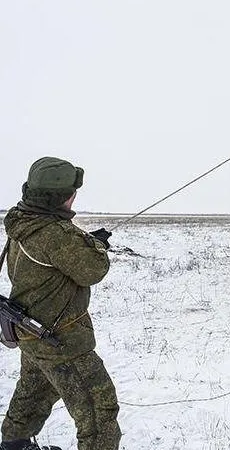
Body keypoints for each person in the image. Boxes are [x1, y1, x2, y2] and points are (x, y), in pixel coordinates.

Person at [1, 157, 121, 450]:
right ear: (58, 198)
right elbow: (93, 269)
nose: (74, 196)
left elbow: (59, 258)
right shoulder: (55, 234)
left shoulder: (24, 221)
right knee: (98, 410)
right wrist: (95, 246)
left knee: (35, 392)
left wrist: (85, 242)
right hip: (60, 340)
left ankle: (13, 445)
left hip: (31, 331)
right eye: (71, 192)